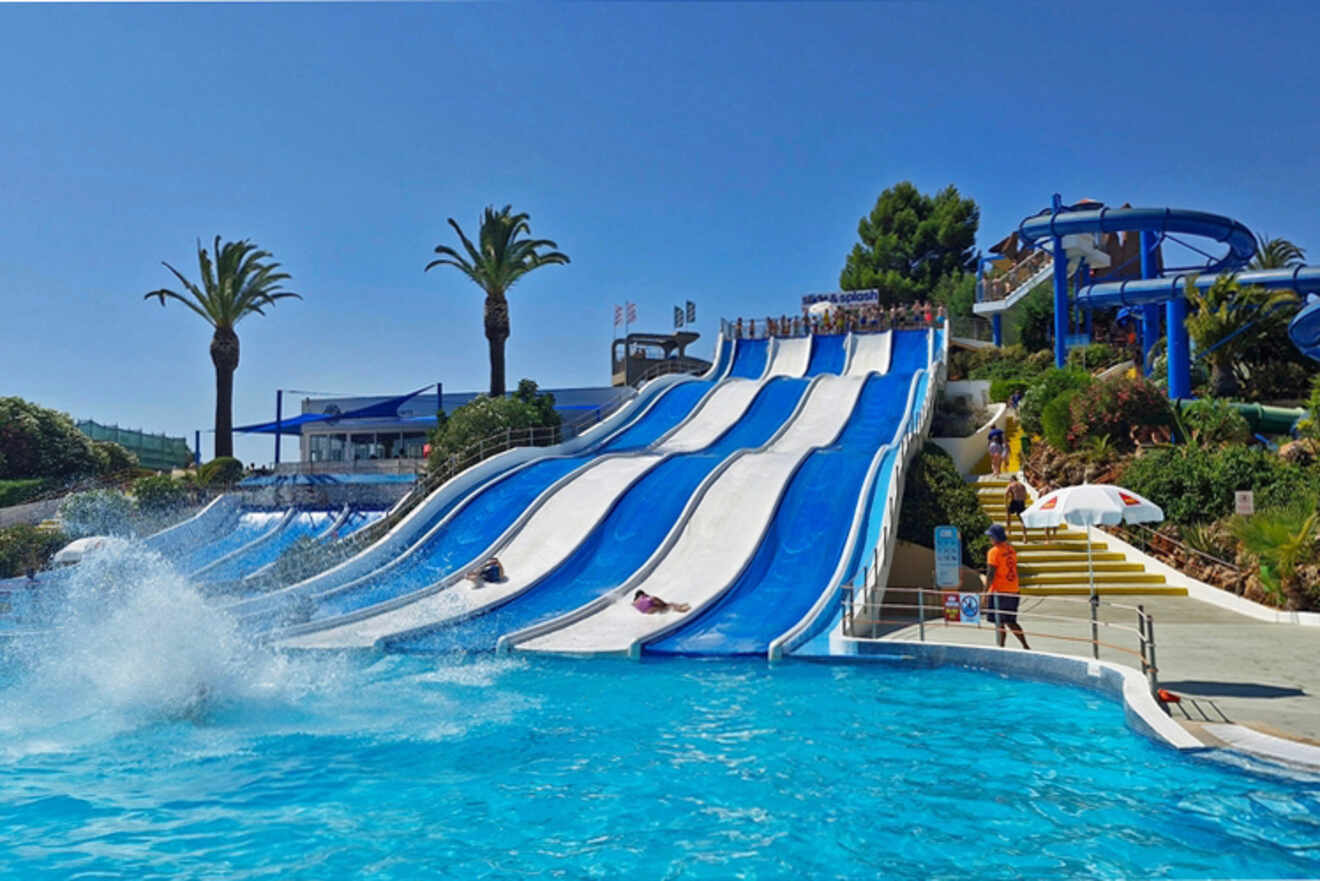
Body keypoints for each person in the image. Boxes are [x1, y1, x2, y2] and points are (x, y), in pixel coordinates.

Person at [984, 525, 1030, 649]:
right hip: (1014, 589)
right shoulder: (1011, 549)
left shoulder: (994, 552)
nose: (989, 539)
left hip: (1000, 591)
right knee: (1010, 621)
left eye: (990, 536)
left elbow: (990, 573)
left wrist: (985, 592)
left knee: (999, 621)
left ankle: (1001, 647)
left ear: (995, 537)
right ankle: (1025, 645)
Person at [1004, 474, 1030, 542]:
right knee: (1022, 520)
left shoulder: (1011, 485)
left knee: (1008, 514)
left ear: (1011, 480)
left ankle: (1008, 531)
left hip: (1015, 501)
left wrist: (1006, 504)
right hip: (1021, 503)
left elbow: (1006, 494)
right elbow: (1025, 495)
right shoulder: (1022, 485)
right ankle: (1025, 537)